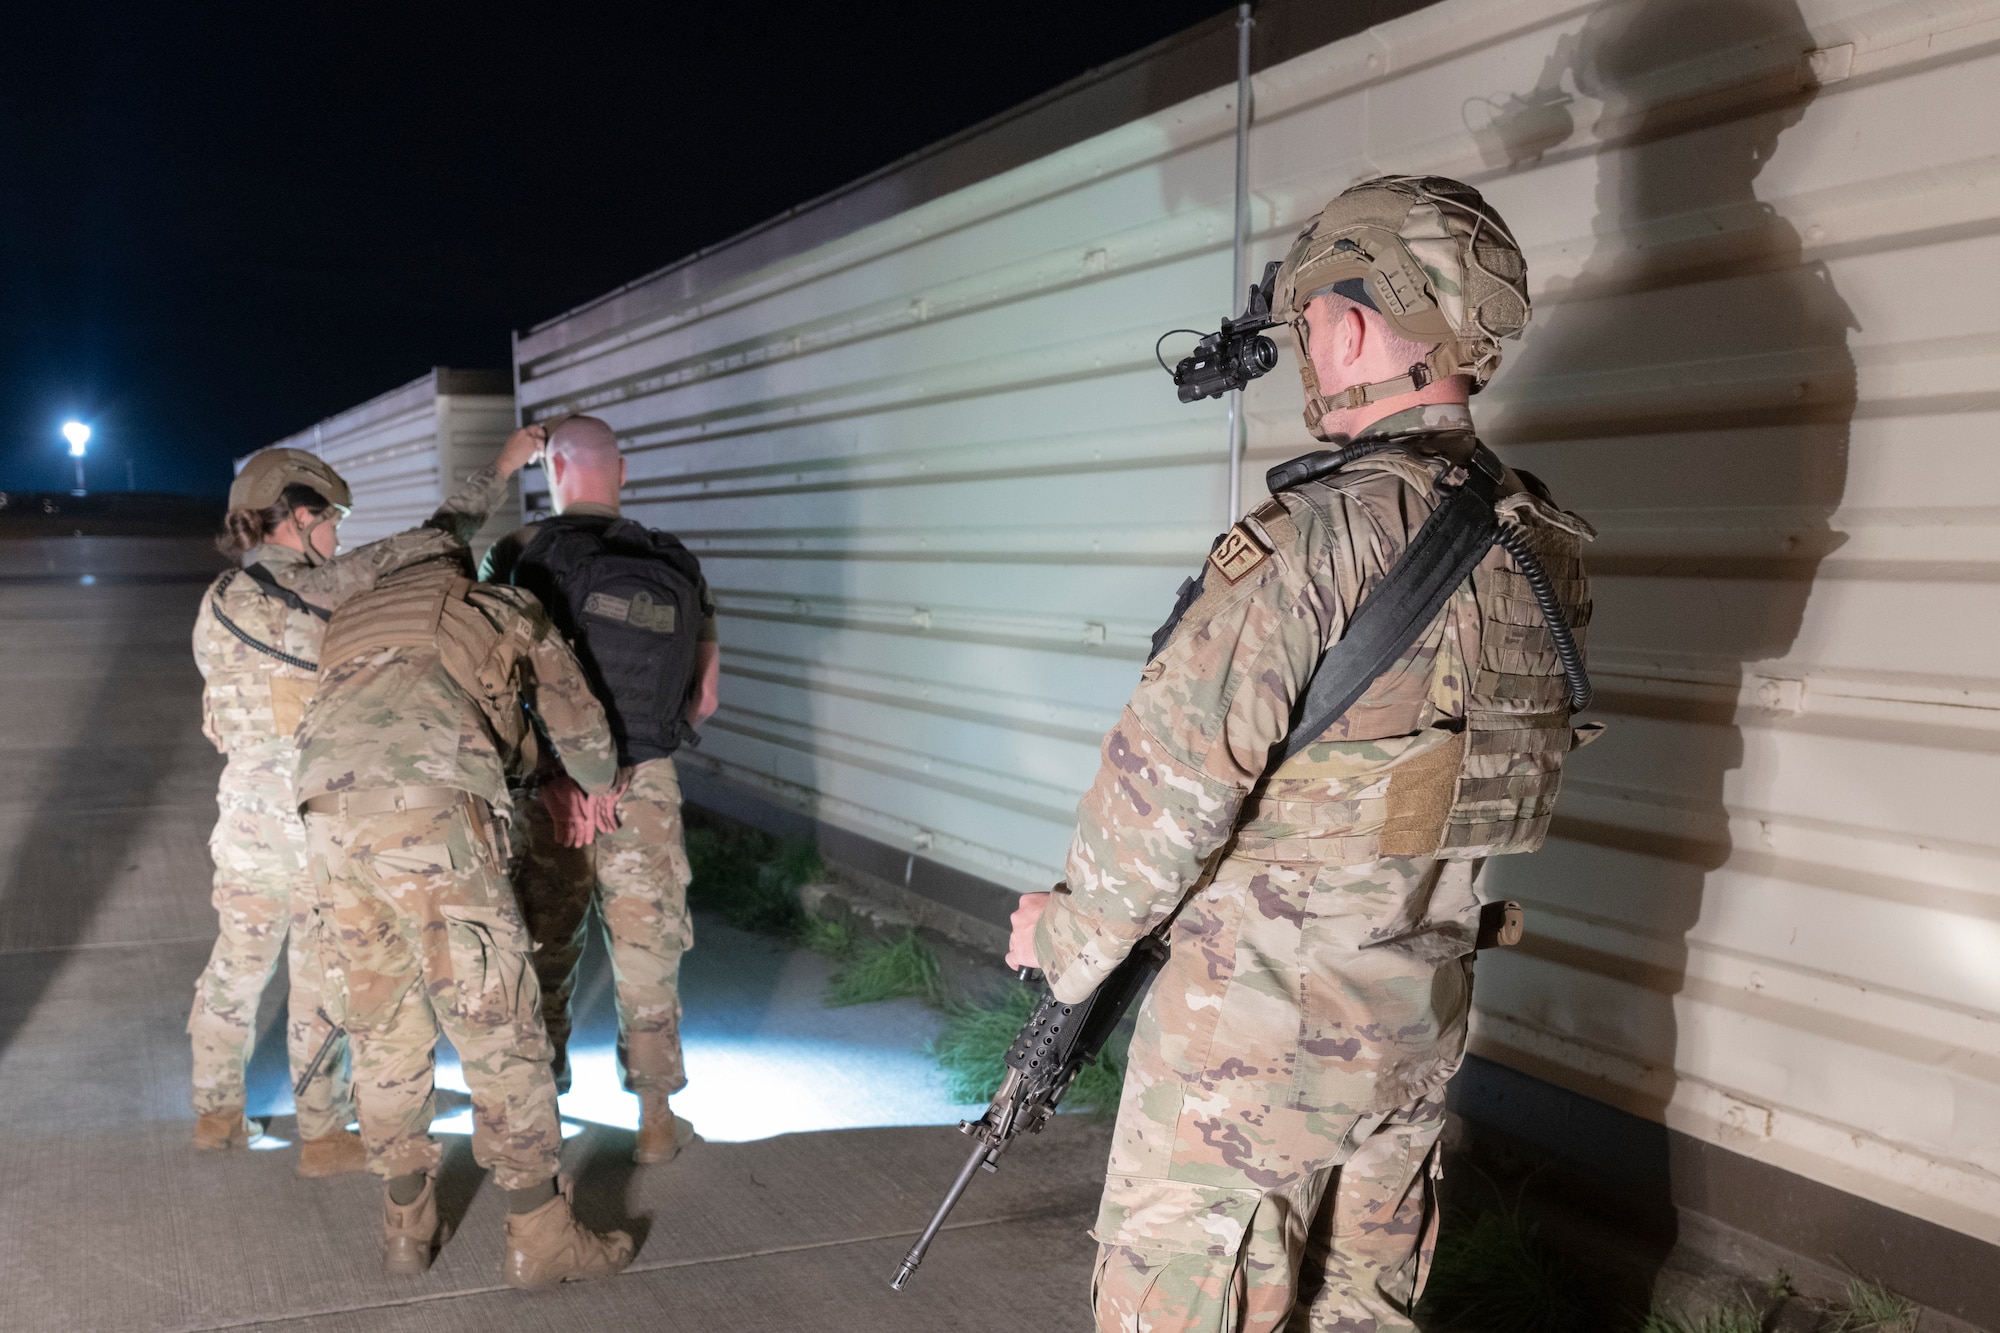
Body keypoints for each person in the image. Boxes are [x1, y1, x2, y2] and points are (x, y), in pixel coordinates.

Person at [1005, 176, 1596, 1332]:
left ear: (1359, 324)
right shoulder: (1541, 549)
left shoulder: (1310, 541)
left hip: (1252, 1058)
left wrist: (1064, 939)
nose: (1303, 349)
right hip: (1410, 1030)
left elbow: (1165, 794)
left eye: (1311, 317)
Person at [296, 477, 635, 1285]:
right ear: (463, 566)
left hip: (329, 823)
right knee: (495, 1017)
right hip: (433, 814)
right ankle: (537, 1237)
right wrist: (595, 774)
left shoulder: (349, 622)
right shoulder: (497, 607)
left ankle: (406, 1227)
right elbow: (587, 742)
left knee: (381, 1022)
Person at [188, 435, 534, 1172]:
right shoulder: (325, 592)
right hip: (317, 821)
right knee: (322, 978)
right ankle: (321, 1133)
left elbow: (217, 720)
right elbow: (436, 539)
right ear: (301, 515)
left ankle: (216, 1114)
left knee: (234, 972)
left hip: (246, 823)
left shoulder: (215, 605)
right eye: (333, 518)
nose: (339, 535)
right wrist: (500, 467)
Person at [479, 415, 719, 1165]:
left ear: (552, 473)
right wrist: (626, 763)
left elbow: (498, 680)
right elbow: (704, 697)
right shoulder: (672, 559)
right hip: (645, 781)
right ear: (621, 472)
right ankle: (654, 1122)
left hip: (549, 787)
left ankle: (542, 1099)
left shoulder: (519, 553)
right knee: (648, 947)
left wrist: (564, 774)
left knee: (545, 941)